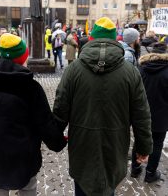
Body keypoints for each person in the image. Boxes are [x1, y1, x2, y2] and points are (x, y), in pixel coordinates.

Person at [53, 17, 153, 196]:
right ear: (116, 40)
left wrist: (54, 139)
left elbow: (60, 109)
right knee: (109, 188)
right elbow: (141, 114)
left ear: (91, 38)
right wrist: (144, 147)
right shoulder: (131, 72)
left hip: (82, 146)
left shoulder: (73, 70)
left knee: (82, 189)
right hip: (115, 145)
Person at [0, 33, 67, 196]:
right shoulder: (30, 88)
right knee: (27, 188)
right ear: (23, 57)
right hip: (22, 154)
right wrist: (57, 142)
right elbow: (45, 123)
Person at [131, 42, 168, 183]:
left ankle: (135, 169)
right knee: (157, 144)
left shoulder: (141, 69)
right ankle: (150, 173)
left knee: (139, 141)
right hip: (162, 116)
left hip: (140, 114)